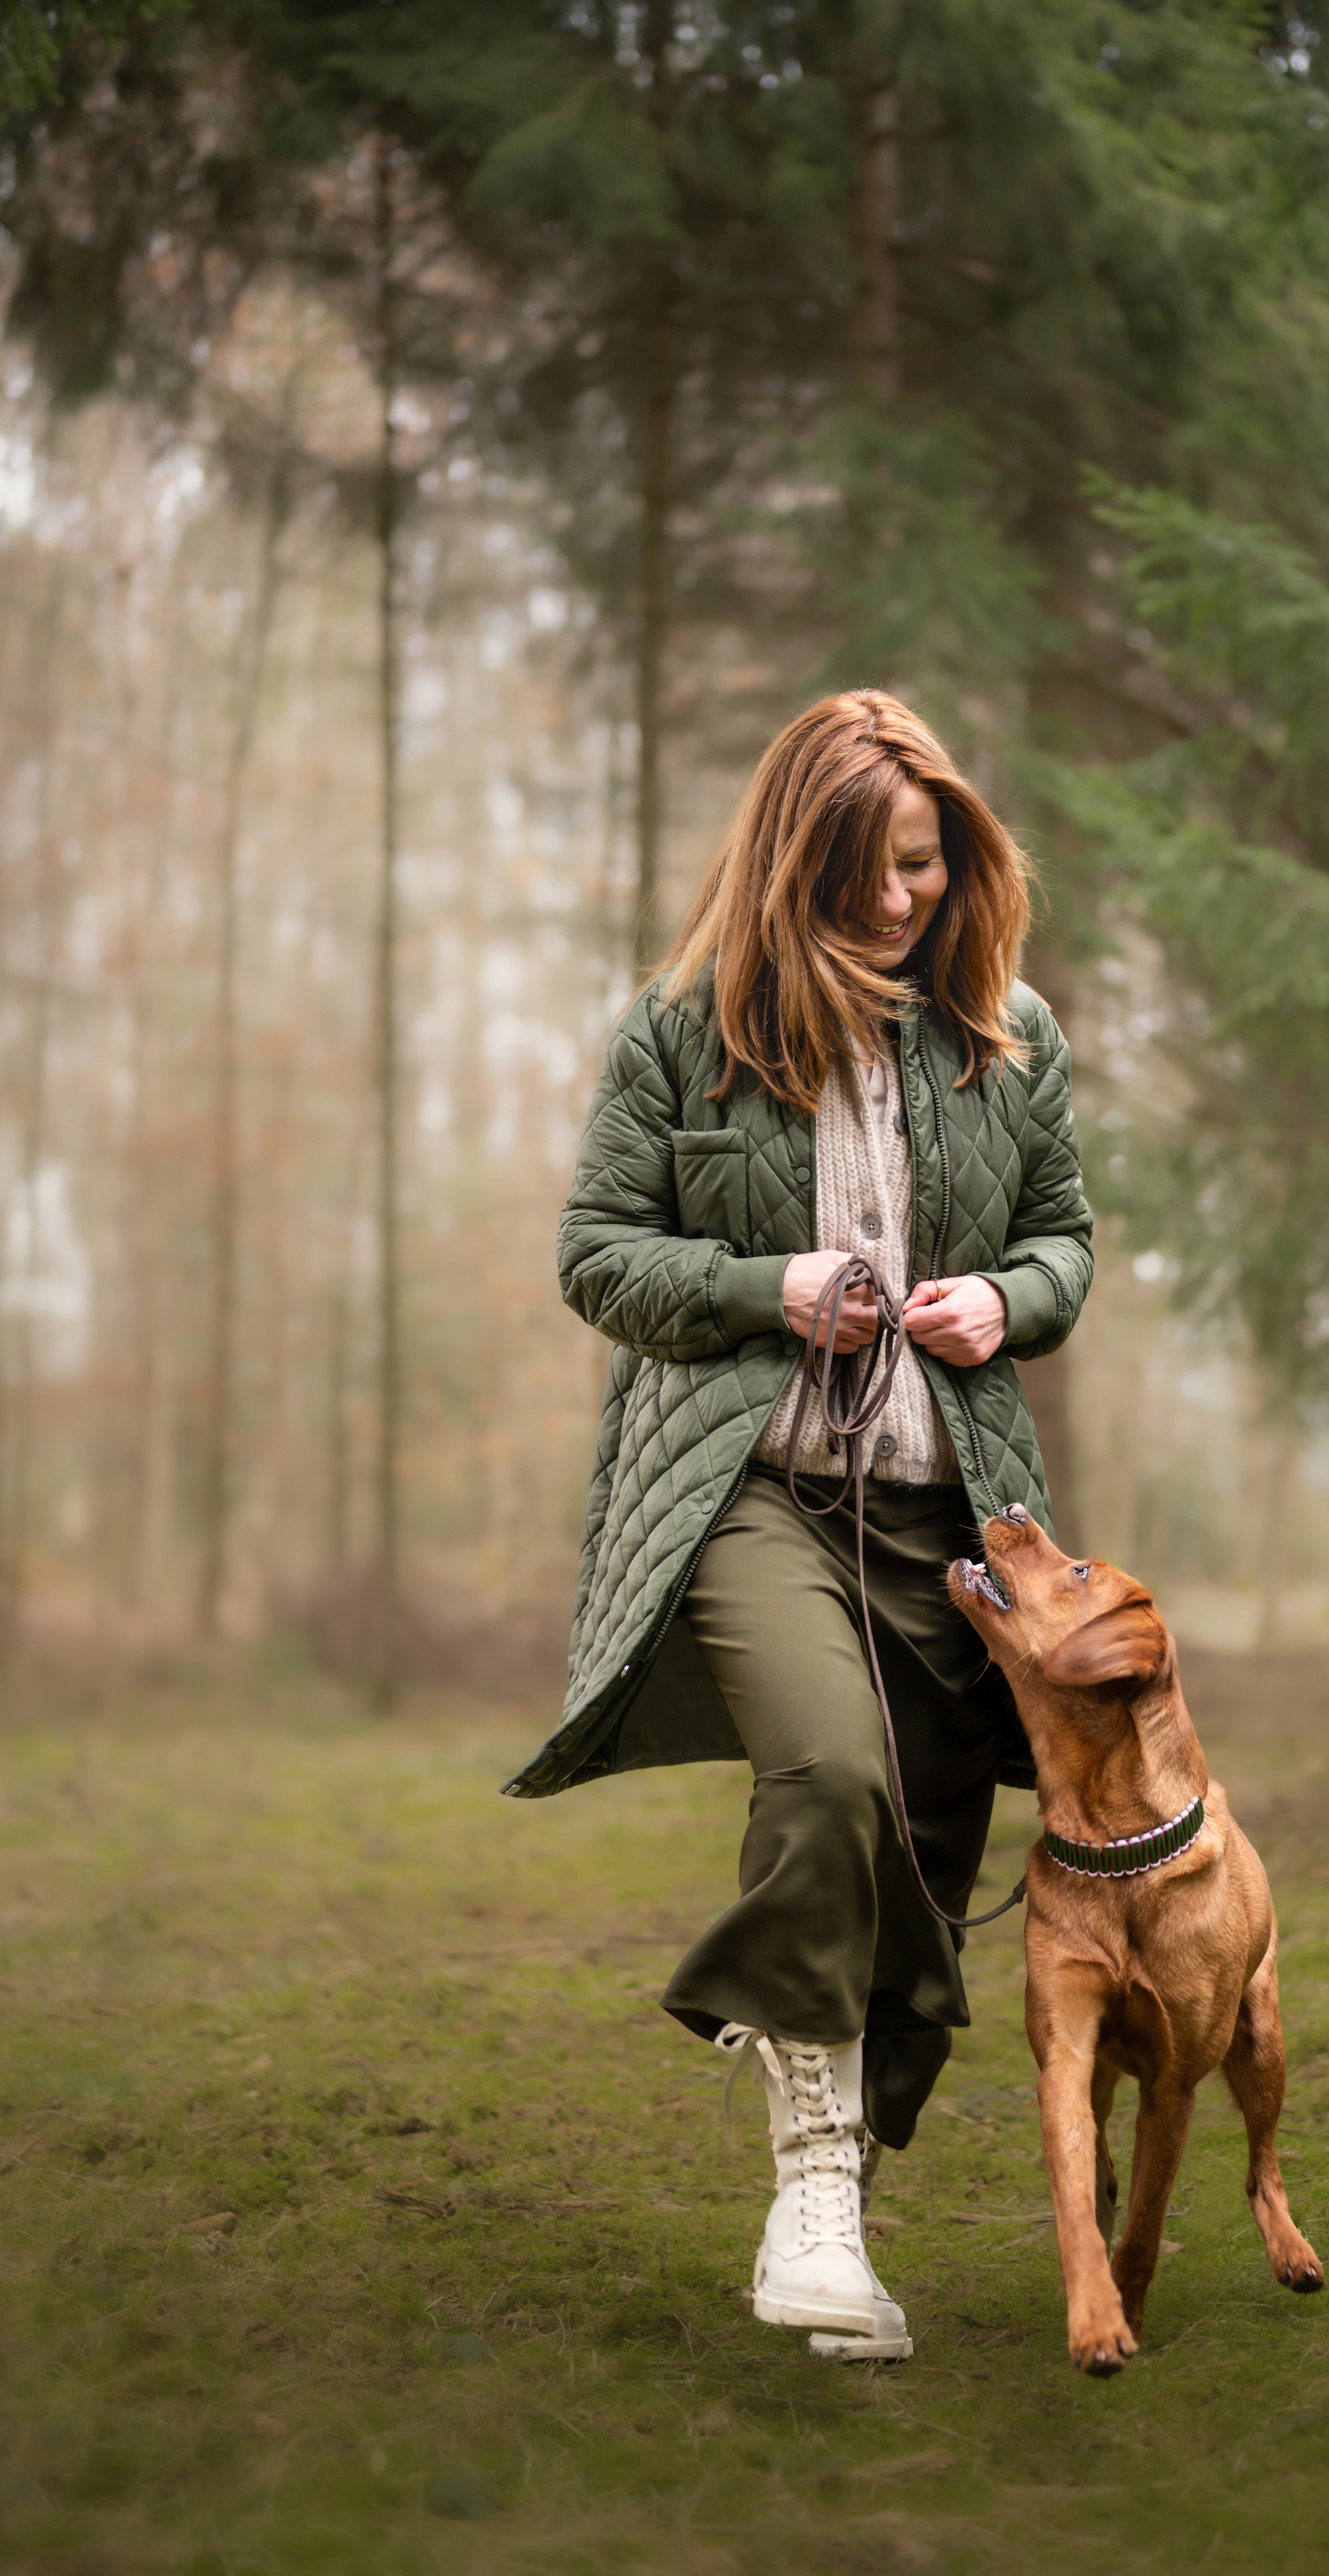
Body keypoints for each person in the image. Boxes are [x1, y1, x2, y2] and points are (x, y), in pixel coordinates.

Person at [503, 690, 1093, 2359]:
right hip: (748, 1488)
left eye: (920, 863)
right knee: (825, 1776)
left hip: (948, 1510)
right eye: (862, 874)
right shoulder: (682, 1029)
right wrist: (770, 1287)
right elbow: (596, 1255)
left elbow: (1065, 1241)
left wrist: (1003, 1298)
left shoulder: (1008, 1033)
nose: (900, 901)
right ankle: (808, 2201)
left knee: (914, 1867)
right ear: (790, 864)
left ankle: (842, 2190)